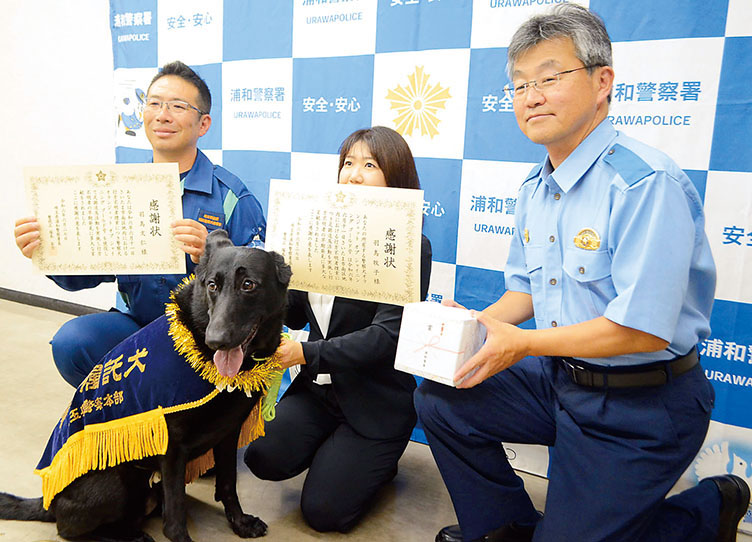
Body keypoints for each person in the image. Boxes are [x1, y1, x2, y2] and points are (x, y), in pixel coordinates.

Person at [415, 5, 750, 542]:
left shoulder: (644, 185)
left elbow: (641, 328)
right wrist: (475, 327)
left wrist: (521, 346)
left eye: (550, 77)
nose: (532, 96)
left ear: (602, 82)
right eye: (519, 84)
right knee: (442, 396)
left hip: (642, 407)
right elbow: (525, 289)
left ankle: (709, 509)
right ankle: (508, 527)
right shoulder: (536, 187)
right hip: (562, 381)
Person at [14, 61, 266, 387]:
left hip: (209, 337)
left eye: (177, 106)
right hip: (141, 326)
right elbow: (85, 274)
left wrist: (216, 259)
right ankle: (134, 417)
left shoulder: (231, 195)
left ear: (203, 123)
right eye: (154, 103)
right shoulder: (122, 190)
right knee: (73, 342)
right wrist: (46, 249)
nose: (162, 115)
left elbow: (266, 288)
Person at [243, 126, 433, 533]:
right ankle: (329, 449)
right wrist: (272, 276)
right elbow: (294, 316)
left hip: (374, 403)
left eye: (369, 165)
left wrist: (305, 355)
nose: (354, 174)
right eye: (348, 163)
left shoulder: (412, 246)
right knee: (261, 455)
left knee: (325, 513)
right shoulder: (320, 231)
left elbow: (387, 337)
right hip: (318, 392)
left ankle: (376, 464)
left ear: (395, 178)